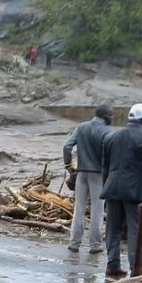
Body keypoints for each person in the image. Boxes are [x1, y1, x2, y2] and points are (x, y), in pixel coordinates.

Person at [100, 104, 142, 277]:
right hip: (136, 191)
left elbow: (105, 168)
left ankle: (112, 265)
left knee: (112, 229)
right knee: (135, 229)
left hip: (112, 188)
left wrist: (106, 186)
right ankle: (136, 267)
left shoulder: (110, 137)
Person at [62, 105, 111, 257]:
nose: (112, 117)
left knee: (79, 208)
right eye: (111, 115)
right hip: (98, 175)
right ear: (105, 115)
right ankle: (95, 245)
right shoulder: (107, 132)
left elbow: (67, 146)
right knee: (97, 209)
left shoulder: (82, 127)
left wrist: (69, 166)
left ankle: (74, 243)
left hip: (81, 173)